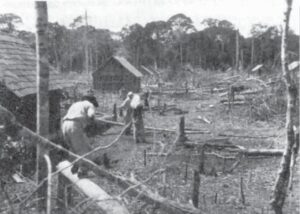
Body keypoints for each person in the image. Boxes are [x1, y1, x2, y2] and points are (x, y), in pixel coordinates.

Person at [61, 95, 104, 176]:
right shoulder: (89, 105)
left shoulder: (76, 104)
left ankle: (76, 164)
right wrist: (93, 123)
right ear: (92, 102)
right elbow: (91, 115)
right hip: (75, 126)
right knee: (85, 150)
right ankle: (83, 171)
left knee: (74, 149)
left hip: (64, 125)